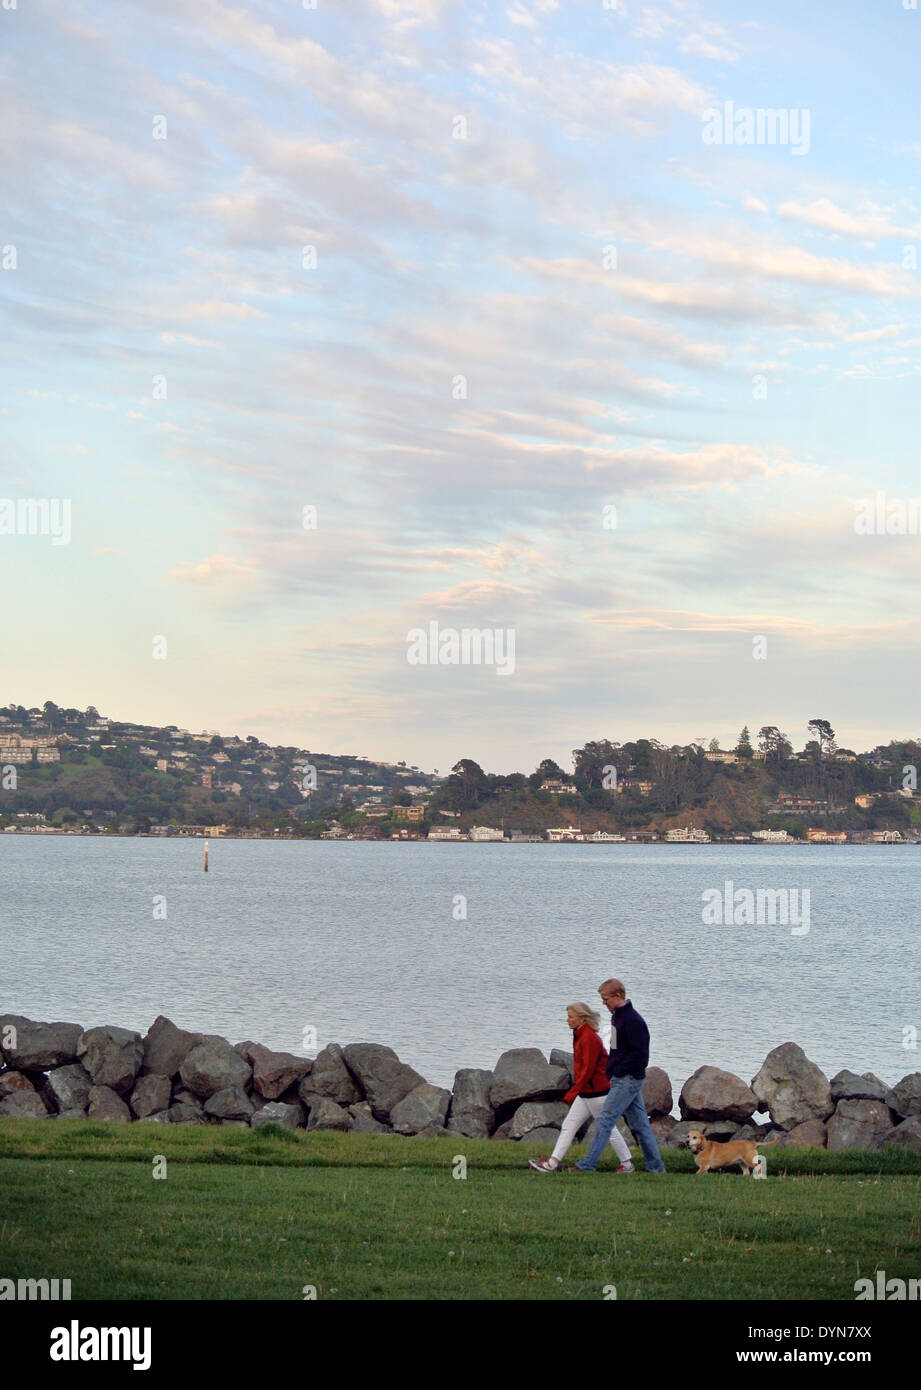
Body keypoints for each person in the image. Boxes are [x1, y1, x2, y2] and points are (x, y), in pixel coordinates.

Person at [567, 978, 666, 1174]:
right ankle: (656, 1167)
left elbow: (640, 1054)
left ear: (619, 996)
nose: (603, 1003)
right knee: (640, 1125)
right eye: (602, 999)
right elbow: (615, 1049)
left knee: (604, 1120)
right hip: (622, 1077)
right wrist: (611, 1070)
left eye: (606, 999)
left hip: (628, 1079)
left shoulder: (632, 1020)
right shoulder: (617, 1017)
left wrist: (619, 1071)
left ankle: (588, 1165)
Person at [527, 1002, 634, 1173]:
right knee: (570, 1125)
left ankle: (627, 1165)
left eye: (571, 1016)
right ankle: (551, 1164)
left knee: (607, 1127)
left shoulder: (589, 1037)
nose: (567, 1020)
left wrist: (572, 1093)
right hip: (587, 1092)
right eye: (568, 1016)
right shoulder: (580, 1034)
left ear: (582, 1018)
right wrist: (577, 1091)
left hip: (596, 1093)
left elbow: (588, 1070)